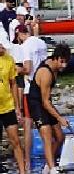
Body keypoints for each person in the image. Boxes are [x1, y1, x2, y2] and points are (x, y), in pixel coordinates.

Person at [28, 44, 71, 174]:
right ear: (56, 58)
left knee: (59, 136)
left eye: (66, 62)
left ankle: (47, 166)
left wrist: (56, 116)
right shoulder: (46, 73)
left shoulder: (55, 70)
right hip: (36, 104)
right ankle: (52, 168)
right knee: (47, 135)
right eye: (62, 62)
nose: (64, 65)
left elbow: (47, 99)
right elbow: (44, 102)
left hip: (46, 101)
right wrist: (59, 117)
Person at [15, 23, 48, 168]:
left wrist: (16, 69)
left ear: (19, 35)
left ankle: (27, 161)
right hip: (44, 87)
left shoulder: (25, 46)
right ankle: (49, 160)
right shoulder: (41, 43)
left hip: (30, 90)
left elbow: (27, 69)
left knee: (28, 124)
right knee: (44, 125)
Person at [0, 38, 26, 174]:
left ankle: (22, 171)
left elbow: (13, 83)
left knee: (15, 140)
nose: (2, 48)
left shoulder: (8, 59)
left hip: (7, 106)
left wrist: (17, 107)